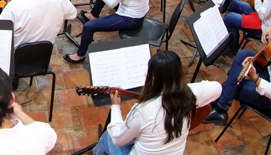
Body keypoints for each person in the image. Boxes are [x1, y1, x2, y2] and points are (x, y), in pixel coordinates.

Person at [204, 0, 271, 126]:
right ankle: (219, 109)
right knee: (242, 56)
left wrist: (255, 77)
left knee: (234, 85)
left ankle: (213, 107)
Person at [93, 51, 222, 155]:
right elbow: (217, 88)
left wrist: (115, 106)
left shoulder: (142, 110)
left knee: (108, 136)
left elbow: (118, 139)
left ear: (153, 78)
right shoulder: (191, 95)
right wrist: (176, 88)